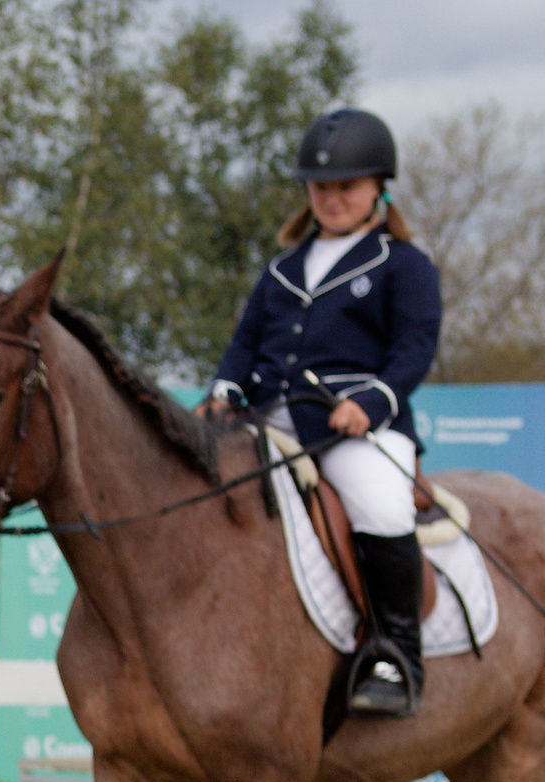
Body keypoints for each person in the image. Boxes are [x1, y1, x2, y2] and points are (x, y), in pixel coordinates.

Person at [202, 107, 442, 718]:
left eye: (346, 187)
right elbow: (244, 343)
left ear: (377, 189)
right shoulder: (281, 269)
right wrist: (226, 389)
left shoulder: (403, 265)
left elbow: (413, 350)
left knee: (381, 505)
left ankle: (396, 654)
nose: (332, 199)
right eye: (321, 188)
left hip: (355, 427)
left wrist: (371, 403)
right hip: (270, 418)